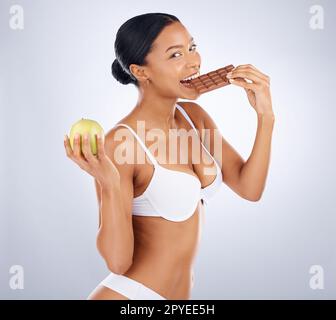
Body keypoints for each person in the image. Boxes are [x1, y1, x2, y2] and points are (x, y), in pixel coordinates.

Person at [63, 12, 275, 300]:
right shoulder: (120, 143)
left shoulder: (194, 118)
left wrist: (265, 116)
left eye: (192, 47)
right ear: (141, 71)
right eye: (175, 55)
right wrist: (110, 184)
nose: (193, 62)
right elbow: (118, 262)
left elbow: (249, 188)